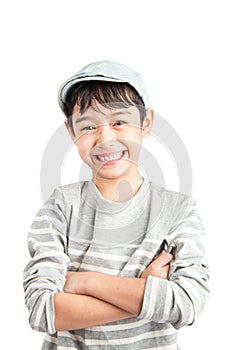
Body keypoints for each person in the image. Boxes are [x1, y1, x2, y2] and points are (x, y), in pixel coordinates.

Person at [23, 60, 209, 349]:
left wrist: (84, 283)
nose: (105, 139)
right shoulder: (60, 207)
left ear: (145, 123)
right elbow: (43, 309)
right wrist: (146, 290)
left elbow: (186, 304)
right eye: (88, 126)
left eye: (119, 122)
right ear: (72, 132)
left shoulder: (177, 210)